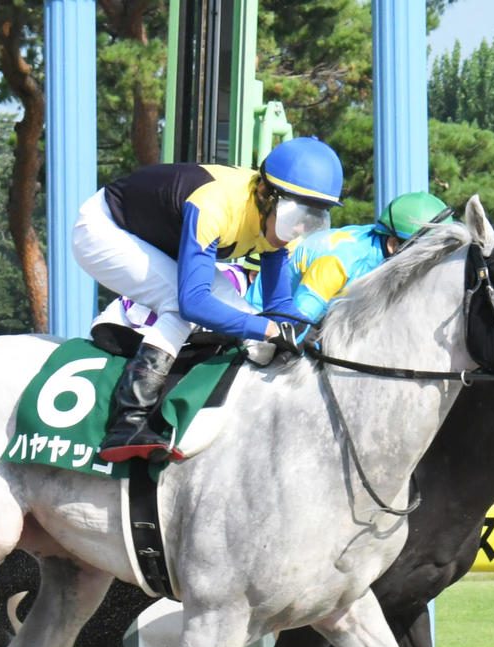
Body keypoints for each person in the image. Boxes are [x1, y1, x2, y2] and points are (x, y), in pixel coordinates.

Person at [71, 136, 344, 463]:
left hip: (155, 237)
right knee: (178, 304)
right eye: (298, 213)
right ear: (264, 195)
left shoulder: (277, 220)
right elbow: (194, 302)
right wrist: (270, 330)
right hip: (104, 229)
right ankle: (127, 420)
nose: (301, 227)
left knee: (245, 318)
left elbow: (279, 305)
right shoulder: (216, 205)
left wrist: (314, 333)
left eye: (314, 217)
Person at [287, 190, 452, 323]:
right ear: (393, 244)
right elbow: (293, 324)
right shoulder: (342, 259)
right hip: (270, 319)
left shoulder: (385, 252)